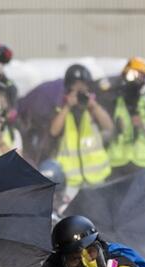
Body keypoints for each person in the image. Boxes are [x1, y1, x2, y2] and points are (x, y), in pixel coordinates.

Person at [50, 64, 114, 195]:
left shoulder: (92, 109)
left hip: (96, 180)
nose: (79, 91)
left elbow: (109, 127)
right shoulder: (62, 109)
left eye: (82, 86)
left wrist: (93, 105)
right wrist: (68, 106)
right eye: (76, 87)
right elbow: (53, 131)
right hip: (71, 183)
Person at [107, 57, 145, 178]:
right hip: (117, 165)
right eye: (130, 75)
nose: (133, 80)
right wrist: (115, 129)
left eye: (138, 75)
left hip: (141, 165)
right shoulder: (115, 101)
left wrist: (142, 126)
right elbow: (104, 136)